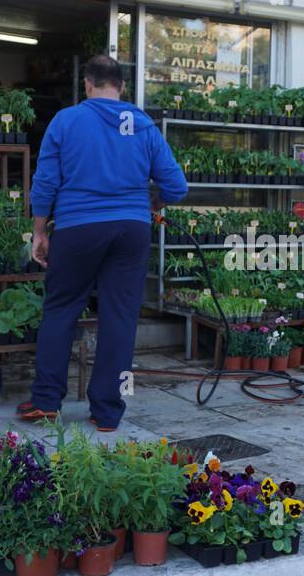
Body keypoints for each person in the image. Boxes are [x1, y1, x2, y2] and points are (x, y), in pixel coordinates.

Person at [16, 55, 187, 430]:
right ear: (122, 88)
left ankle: (46, 401)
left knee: (61, 308)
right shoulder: (142, 124)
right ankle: (108, 412)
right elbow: (176, 185)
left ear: (88, 86)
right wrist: (150, 206)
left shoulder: (67, 120)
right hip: (131, 230)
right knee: (120, 317)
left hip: (78, 227)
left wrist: (40, 231)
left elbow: (45, 182)